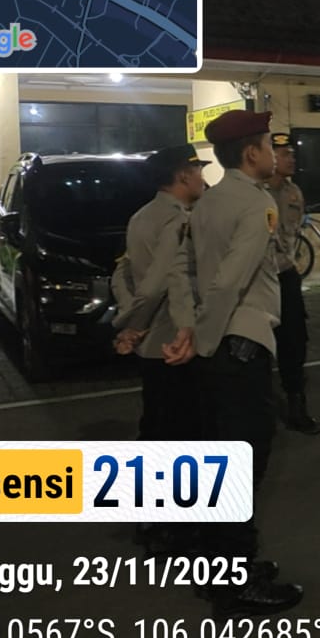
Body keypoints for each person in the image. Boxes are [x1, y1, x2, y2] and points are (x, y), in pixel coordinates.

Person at [163, 109, 303, 616]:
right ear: (251, 153)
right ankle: (234, 583)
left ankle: (220, 565)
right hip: (237, 344)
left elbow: (185, 270)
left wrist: (188, 327)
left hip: (216, 345)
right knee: (242, 466)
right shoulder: (256, 203)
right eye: (268, 146)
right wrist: (201, 339)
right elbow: (229, 282)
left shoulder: (207, 202)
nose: (275, 155)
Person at [111, 144, 208, 558]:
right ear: (183, 176)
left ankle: (149, 518)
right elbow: (159, 284)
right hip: (174, 342)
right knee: (180, 434)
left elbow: (122, 274)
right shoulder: (180, 220)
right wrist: (132, 325)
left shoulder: (140, 216)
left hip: (153, 344)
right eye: (198, 171)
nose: (203, 179)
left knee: (154, 429)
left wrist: (132, 323)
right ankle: (171, 526)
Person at [267, 131, 320, 435]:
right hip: (259, 279)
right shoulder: (254, 192)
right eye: (284, 154)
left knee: (295, 340)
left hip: (286, 274)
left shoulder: (294, 192)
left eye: (292, 153)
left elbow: (293, 233)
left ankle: (296, 405)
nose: (292, 158)